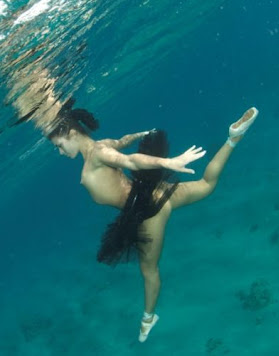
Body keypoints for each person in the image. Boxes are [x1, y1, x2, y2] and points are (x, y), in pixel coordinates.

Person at [48, 100, 259, 342]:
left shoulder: (97, 155)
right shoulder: (102, 146)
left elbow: (131, 161)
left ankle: (148, 318)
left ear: (72, 133)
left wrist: (167, 163)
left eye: (60, 145)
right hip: (155, 191)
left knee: (149, 271)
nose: (61, 152)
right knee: (206, 185)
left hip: (149, 211)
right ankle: (233, 138)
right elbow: (124, 142)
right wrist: (142, 134)